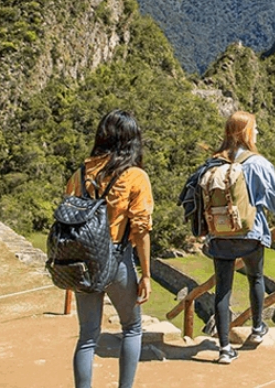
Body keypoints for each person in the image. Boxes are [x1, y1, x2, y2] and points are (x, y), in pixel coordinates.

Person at [67, 110, 154, 388]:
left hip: (83, 261)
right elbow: (141, 229)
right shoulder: (135, 176)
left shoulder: (81, 172)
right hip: (117, 259)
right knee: (131, 328)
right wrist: (146, 274)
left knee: (87, 336)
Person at [204, 111, 275, 365]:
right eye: (254, 129)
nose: (257, 133)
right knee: (256, 277)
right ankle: (257, 328)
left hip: (220, 234)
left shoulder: (214, 161)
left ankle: (224, 349)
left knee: (223, 288)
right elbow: (274, 195)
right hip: (250, 234)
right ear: (246, 133)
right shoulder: (257, 164)